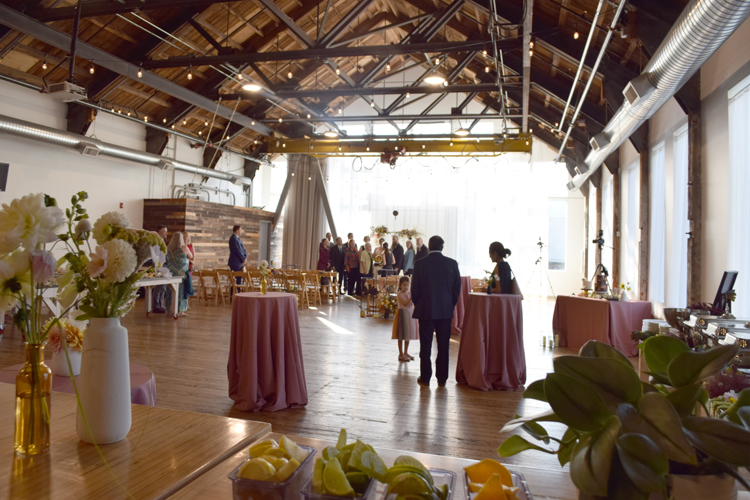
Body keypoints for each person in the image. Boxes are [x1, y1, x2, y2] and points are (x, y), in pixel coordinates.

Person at [411, 235, 461, 388]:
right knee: (444, 345)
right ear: (442, 247)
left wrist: (419, 304)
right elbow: (456, 288)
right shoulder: (452, 264)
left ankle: (425, 378)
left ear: (429, 245)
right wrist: (450, 305)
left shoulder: (420, 264)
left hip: (426, 309)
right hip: (445, 310)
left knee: (425, 345)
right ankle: (442, 379)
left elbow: (415, 289)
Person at [392, 277, 419, 362]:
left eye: (408, 285)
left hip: (409, 314)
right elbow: (405, 303)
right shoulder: (399, 294)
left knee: (408, 334)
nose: (406, 287)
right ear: (400, 285)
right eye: (404, 285)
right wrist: (411, 297)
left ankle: (406, 352)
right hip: (402, 314)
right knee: (401, 334)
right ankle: (400, 353)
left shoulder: (410, 293)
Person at [165, 231, 192, 317]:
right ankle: (179, 311)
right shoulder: (184, 248)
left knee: (170, 291)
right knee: (181, 292)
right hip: (181, 273)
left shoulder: (169, 248)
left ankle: (169, 309)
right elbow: (190, 256)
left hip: (170, 272)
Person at [152, 225, 168, 313]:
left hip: (164, 264)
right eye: (164, 231)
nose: (166, 233)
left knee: (163, 287)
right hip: (159, 265)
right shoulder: (156, 241)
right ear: (159, 232)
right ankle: (156, 306)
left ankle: (161, 305)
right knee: (158, 287)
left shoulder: (162, 241)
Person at [228, 225, 247, 289]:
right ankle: (234, 294)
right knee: (235, 281)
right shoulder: (233, 239)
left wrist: (245, 256)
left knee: (238, 281)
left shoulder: (238, 239)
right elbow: (236, 250)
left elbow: (243, 249)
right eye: (240, 230)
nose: (241, 231)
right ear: (236, 231)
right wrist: (243, 258)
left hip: (239, 262)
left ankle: (237, 293)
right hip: (235, 262)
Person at [184, 231, 195, 308]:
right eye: (184, 236)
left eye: (186, 236)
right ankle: (183, 303)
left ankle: (187, 303)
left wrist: (192, 264)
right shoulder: (181, 246)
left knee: (188, 284)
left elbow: (193, 257)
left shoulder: (191, 246)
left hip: (189, 267)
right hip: (183, 267)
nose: (185, 237)